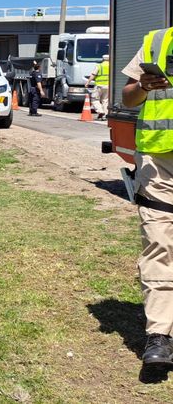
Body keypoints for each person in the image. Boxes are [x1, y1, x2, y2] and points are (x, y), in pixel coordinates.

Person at [120, 26, 173, 366]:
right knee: (159, 241)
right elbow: (127, 97)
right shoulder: (157, 41)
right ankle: (160, 334)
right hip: (159, 164)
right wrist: (141, 87)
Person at [85, 54, 110, 120]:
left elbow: (93, 75)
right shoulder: (112, 66)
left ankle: (100, 111)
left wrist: (88, 82)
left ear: (103, 59)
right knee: (105, 100)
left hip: (99, 85)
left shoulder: (99, 66)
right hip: (108, 86)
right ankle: (106, 114)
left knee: (94, 99)